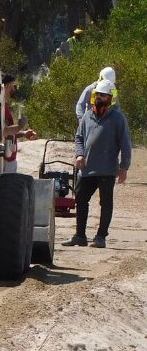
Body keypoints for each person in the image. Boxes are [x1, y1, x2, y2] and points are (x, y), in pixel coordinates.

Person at [61, 79, 132, 249]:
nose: (100, 98)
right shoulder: (87, 116)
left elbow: (125, 144)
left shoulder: (118, 118)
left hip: (107, 170)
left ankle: (101, 237)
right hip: (87, 169)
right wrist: (79, 154)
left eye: (104, 95)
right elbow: (79, 137)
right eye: (98, 95)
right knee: (81, 199)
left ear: (110, 98)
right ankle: (80, 236)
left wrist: (124, 167)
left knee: (106, 204)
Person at [2, 74, 37, 173]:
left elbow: (6, 133)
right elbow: (4, 132)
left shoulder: (4, 106)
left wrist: (23, 133)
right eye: (13, 86)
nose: (15, 89)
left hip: (9, 159)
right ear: (7, 86)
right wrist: (20, 125)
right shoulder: (0, 108)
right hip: (4, 161)